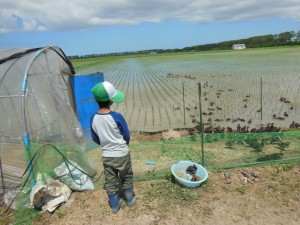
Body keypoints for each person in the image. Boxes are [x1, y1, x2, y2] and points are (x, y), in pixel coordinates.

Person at [90, 81, 134, 213]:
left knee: (110, 180)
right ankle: (130, 200)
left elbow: (94, 137)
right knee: (126, 176)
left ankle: (114, 206)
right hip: (122, 154)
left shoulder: (93, 118)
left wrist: (105, 144)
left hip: (107, 156)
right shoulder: (116, 117)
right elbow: (126, 135)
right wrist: (123, 145)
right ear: (111, 101)